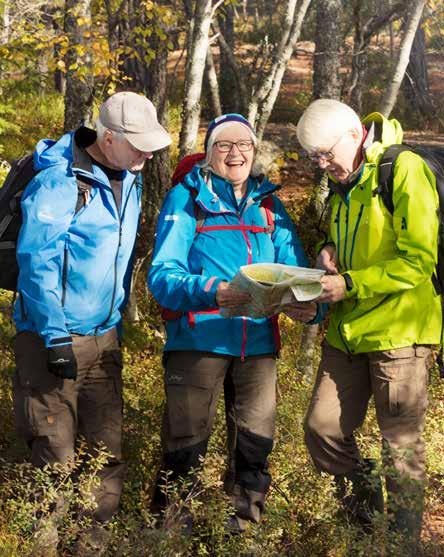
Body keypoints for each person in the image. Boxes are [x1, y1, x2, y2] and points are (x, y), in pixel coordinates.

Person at [12, 91, 171, 553]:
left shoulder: (131, 177)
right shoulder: (60, 181)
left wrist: (116, 321)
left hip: (104, 339)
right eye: (138, 144)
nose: (146, 153)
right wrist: (55, 336)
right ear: (108, 136)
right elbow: (36, 261)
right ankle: (44, 546)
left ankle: (91, 547)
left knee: (105, 456)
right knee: (54, 456)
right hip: (52, 340)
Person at [147, 113, 317, 533]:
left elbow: (295, 268)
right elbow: (162, 276)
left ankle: (242, 532)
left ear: (255, 152)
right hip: (199, 339)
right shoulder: (187, 200)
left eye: (244, 145)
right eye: (224, 145)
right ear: (209, 153)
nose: (235, 153)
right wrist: (212, 290)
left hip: (257, 345)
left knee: (254, 447)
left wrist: (308, 304)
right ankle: (169, 533)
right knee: (186, 445)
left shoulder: (269, 205)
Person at [296, 99, 441, 552]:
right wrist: (325, 252)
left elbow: (418, 260)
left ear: (356, 133)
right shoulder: (344, 180)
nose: (322, 165)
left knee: (399, 447)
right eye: (313, 158)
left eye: (326, 154)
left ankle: (401, 546)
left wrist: (351, 284)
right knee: (322, 428)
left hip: (401, 333)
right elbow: (347, 237)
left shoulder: (402, 170)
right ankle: (365, 524)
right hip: (348, 332)